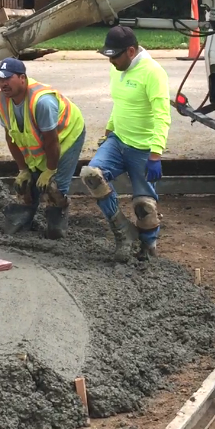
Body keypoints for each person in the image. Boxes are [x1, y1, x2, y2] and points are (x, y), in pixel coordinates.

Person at [81, 25, 171, 261]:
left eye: (115, 56)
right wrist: (110, 128)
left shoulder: (153, 72)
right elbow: (120, 102)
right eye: (108, 56)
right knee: (92, 175)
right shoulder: (118, 69)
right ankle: (122, 231)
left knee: (145, 206)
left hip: (142, 148)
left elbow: (162, 114)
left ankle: (148, 249)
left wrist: (156, 153)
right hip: (118, 140)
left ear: (131, 51)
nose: (111, 62)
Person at [0, 57, 86, 239]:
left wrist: (50, 170)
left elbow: (51, 141)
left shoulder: (42, 102)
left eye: (8, 78)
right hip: (46, 141)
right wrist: (23, 169)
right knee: (26, 183)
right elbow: (10, 137)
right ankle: (23, 215)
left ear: (22, 78)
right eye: (0, 79)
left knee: (53, 187)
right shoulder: (2, 100)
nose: (3, 84)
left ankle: (56, 226)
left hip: (67, 136)